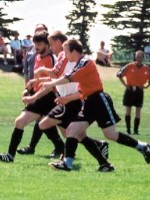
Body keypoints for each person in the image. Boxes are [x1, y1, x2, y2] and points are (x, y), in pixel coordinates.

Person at [41, 39, 150, 171]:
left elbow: (70, 77)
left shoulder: (86, 62)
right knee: (72, 130)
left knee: (110, 134)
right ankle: (69, 163)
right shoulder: (79, 63)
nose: (65, 55)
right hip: (88, 102)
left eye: (66, 52)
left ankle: (142, 146)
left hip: (99, 100)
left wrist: (50, 84)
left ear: (74, 51)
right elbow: (72, 79)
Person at [24, 31, 112, 171]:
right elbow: (60, 77)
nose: (51, 47)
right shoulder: (64, 56)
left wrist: (41, 72)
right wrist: (39, 80)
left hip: (71, 100)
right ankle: (101, 158)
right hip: (66, 99)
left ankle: (66, 158)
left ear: (59, 43)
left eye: (52, 44)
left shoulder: (66, 57)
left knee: (51, 126)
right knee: (74, 133)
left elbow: (57, 74)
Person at [0, 31, 64, 162]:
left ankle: (10, 155)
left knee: (22, 122)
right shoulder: (37, 57)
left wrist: (34, 98)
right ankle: (64, 148)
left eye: (40, 44)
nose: (36, 47)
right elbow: (35, 79)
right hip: (38, 96)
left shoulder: (52, 59)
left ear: (48, 45)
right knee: (52, 127)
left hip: (47, 97)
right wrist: (27, 90)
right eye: (35, 44)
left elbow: (52, 83)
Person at [17, 24, 64, 158]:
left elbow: (55, 75)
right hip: (36, 89)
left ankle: (59, 147)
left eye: (41, 33)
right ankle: (59, 146)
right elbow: (28, 73)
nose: (36, 43)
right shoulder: (32, 53)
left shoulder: (51, 56)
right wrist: (27, 89)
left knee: (54, 123)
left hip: (48, 92)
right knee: (44, 122)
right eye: (36, 33)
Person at [117, 50, 150, 135]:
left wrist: (145, 87)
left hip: (139, 91)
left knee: (138, 111)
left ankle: (136, 131)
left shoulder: (146, 68)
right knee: (128, 111)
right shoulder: (129, 66)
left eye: (140, 56)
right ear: (135, 57)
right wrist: (126, 85)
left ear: (143, 57)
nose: (139, 58)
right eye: (137, 56)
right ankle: (128, 130)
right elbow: (119, 75)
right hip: (130, 90)